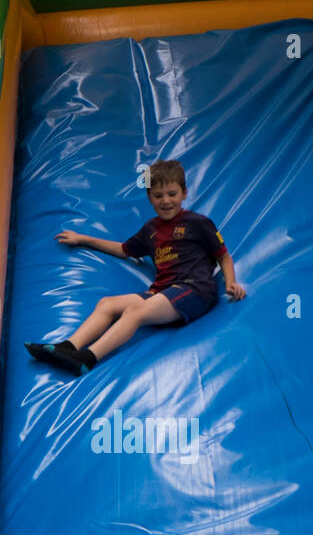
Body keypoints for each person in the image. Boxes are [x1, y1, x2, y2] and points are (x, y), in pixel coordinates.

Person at [25, 159, 245, 377]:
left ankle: (87, 358)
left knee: (134, 312)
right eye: (158, 196)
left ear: (184, 193)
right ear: (149, 197)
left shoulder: (197, 223)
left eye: (172, 194)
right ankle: (68, 346)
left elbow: (223, 256)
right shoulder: (151, 230)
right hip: (161, 292)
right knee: (107, 304)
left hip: (193, 289)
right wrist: (83, 239)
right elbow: (124, 249)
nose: (166, 201)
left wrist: (231, 282)